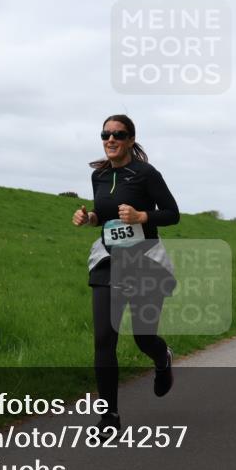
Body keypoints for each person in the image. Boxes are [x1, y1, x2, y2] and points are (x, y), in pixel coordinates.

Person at [71, 114, 179, 437]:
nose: (110, 139)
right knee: (104, 340)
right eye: (105, 134)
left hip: (144, 260)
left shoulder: (147, 174)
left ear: (131, 139)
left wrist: (141, 215)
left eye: (118, 134)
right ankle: (109, 419)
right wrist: (88, 217)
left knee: (143, 337)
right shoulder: (99, 177)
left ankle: (162, 359)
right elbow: (103, 216)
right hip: (109, 260)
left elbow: (173, 213)